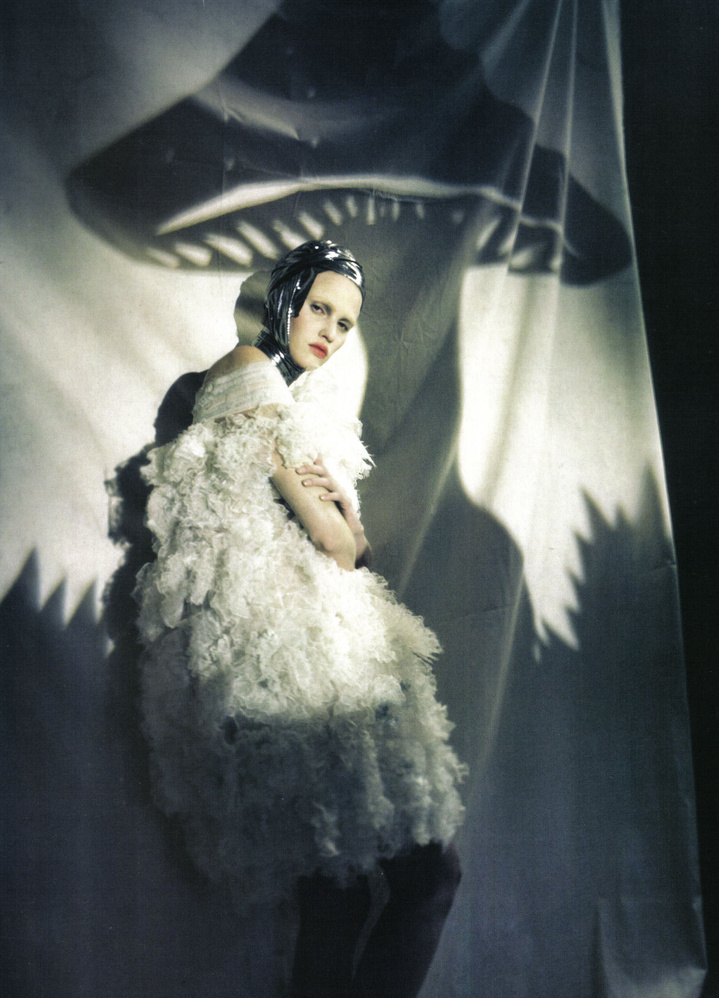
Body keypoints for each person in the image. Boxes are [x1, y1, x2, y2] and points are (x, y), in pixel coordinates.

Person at [134, 240, 465, 997]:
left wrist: (347, 515)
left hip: (303, 662)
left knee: (340, 892)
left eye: (345, 323)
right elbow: (337, 546)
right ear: (284, 298)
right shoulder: (247, 372)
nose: (330, 333)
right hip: (298, 671)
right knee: (417, 876)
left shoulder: (281, 396)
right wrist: (343, 524)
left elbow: (353, 548)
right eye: (319, 308)